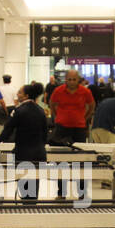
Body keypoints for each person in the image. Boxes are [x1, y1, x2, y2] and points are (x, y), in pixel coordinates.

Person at [48, 69, 95, 198]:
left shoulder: (85, 92)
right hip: (61, 128)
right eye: (69, 79)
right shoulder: (58, 91)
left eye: (74, 79)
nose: (72, 82)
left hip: (79, 129)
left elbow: (91, 106)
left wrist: (83, 118)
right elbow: (52, 105)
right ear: (66, 79)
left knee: (80, 161)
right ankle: (61, 192)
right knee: (60, 161)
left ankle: (82, 192)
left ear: (78, 79)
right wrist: (59, 117)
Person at [0, 82, 48, 200]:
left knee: (24, 183)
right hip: (39, 153)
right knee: (34, 183)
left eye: (20, 92)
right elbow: (45, 133)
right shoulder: (41, 111)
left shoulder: (19, 110)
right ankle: (32, 207)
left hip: (23, 153)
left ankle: (25, 208)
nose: (17, 94)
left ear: (26, 96)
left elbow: (8, 129)